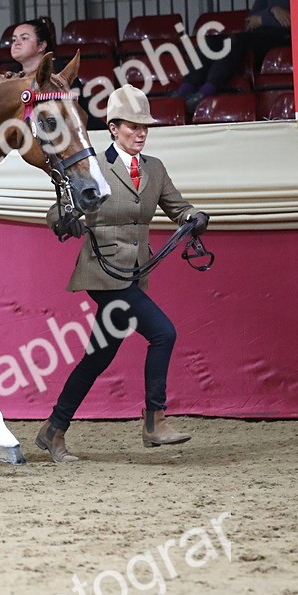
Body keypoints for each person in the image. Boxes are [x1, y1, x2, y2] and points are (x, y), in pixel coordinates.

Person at [41, 84, 209, 462]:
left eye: (145, 126)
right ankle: (154, 420)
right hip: (101, 272)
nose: (141, 132)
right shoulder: (94, 165)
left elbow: (177, 207)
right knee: (164, 333)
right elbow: (57, 211)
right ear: (113, 127)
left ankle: (54, 429)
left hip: (134, 273)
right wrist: (66, 222)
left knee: (97, 359)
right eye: (133, 126)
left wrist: (194, 218)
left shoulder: (155, 169)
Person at [174, 0, 291, 110]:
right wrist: (273, 11)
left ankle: (206, 92)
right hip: (258, 37)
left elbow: (294, 21)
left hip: (282, 41)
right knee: (211, 41)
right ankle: (186, 89)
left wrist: (265, 18)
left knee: (235, 40)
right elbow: (251, 21)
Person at [9, 17, 104, 131]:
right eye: (14, 40)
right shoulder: (11, 74)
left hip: (77, 132)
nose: (17, 43)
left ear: (42, 45)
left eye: (24, 38)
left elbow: (68, 112)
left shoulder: (60, 71)